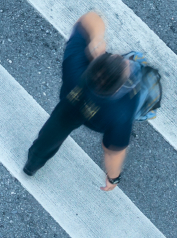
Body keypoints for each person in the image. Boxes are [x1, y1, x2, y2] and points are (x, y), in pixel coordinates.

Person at [23, 12, 141, 191]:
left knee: (50, 136)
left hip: (69, 105)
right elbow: (113, 152)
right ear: (117, 89)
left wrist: (95, 38)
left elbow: (91, 18)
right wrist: (113, 178)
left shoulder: (75, 67)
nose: (124, 60)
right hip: (98, 118)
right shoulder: (121, 110)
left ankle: (32, 165)